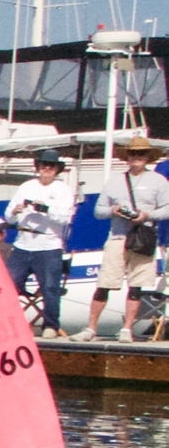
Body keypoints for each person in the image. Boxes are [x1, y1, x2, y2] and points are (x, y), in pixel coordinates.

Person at [82, 135, 169, 340]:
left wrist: (146, 215)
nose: (137, 157)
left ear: (147, 157)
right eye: (133, 153)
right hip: (117, 237)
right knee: (104, 284)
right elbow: (98, 211)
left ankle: (127, 329)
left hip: (143, 238)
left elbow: (167, 209)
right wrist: (113, 210)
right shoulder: (115, 180)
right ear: (127, 157)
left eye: (141, 153)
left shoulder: (158, 181)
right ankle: (91, 328)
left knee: (136, 286)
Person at [5, 148, 76, 337]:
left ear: (57, 169)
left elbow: (65, 218)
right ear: (38, 166)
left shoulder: (63, 189)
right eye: (44, 164)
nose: (47, 168)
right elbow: (8, 217)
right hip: (22, 244)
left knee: (50, 287)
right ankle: (8, 324)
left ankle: (50, 326)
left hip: (48, 246)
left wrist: (44, 209)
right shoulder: (26, 186)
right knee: (8, 285)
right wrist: (15, 211)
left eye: (51, 165)